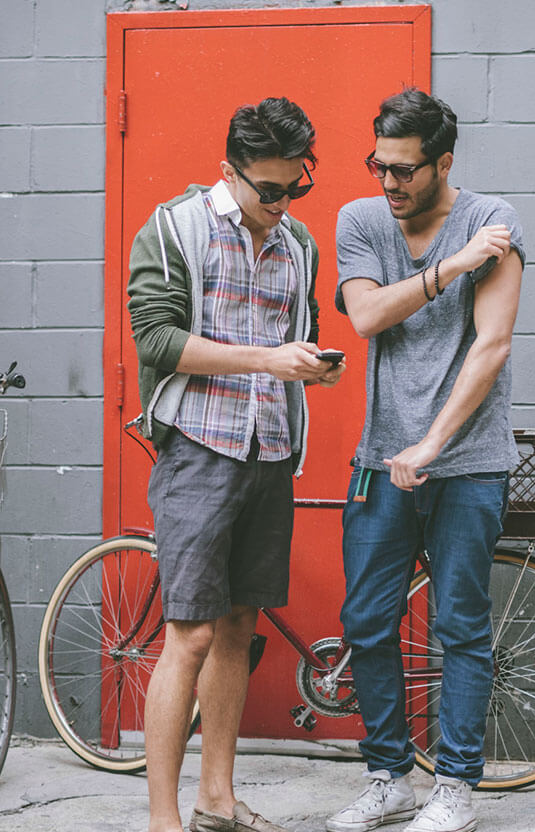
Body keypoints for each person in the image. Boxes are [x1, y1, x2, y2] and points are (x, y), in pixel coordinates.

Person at [127, 97, 344, 832]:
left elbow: (300, 333)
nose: (284, 202)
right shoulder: (176, 227)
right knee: (188, 635)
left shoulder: (298, 242)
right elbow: (156, 340)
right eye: (270, 189)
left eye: (297, 186)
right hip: (199, 450)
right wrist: (265, 360)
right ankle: (163, 821)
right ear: (230, 172)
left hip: (270, 451)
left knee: (238, 626)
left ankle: (216, 801)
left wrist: (312, 367)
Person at [326, 88, 524, 832]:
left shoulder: (492, 221)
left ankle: (456, 788)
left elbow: (491, 345)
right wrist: (451, 269)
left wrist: (433, 443)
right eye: (379, 165)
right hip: (380, 461)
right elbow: (366, 314)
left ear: (443, 163)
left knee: (460, 626)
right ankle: (389, 778)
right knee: (366, 620)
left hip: (467, 464)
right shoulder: (361, 220)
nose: (389, 182)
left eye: (405, 170)